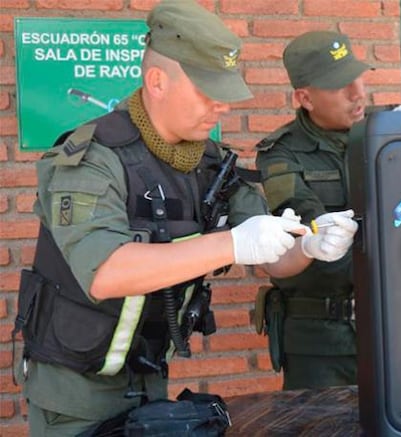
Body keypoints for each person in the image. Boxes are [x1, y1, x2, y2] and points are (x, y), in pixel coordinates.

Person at [13, 1, 357, 435]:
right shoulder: (93, 158)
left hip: (149, 377)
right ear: (157, 81)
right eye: (208, 92)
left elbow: (275, 259)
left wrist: (308, 244)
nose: (223, 108)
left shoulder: (210, 163)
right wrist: (230, 243)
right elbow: (104, 271)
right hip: (73, 394)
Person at [253, 30, 372, 390]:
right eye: (340, 86)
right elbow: (309, 232)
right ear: (304, 97)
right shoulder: (281, 153)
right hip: (320, 341)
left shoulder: (387, 135)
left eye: (358, 78)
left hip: (392, 328)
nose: (358, 94)